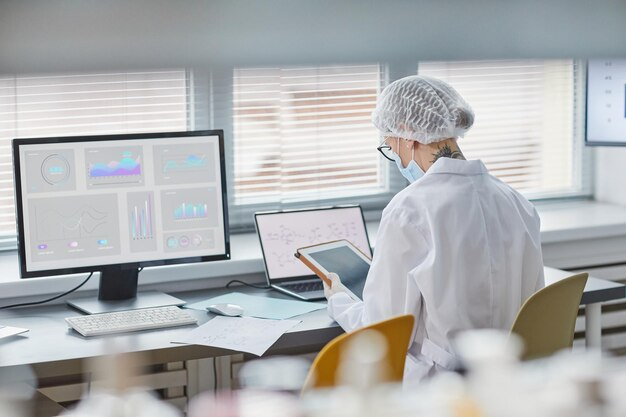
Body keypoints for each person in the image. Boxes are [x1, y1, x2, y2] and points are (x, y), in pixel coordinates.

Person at [323, 75, 544, 387]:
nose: (396, 158)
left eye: (390, 146)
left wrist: (338, 300)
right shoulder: (517, 203)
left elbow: (382, 330)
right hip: (509, 383)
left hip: (440, 389)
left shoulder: (409, 210)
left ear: (407, 134)